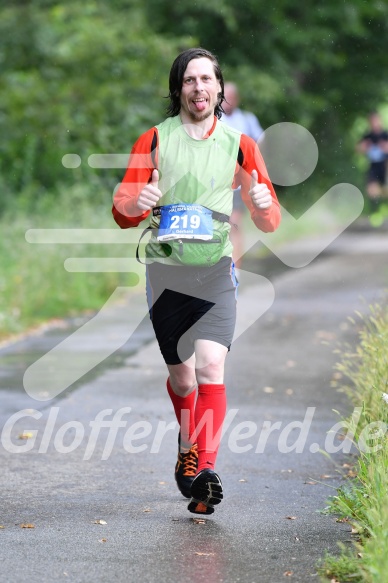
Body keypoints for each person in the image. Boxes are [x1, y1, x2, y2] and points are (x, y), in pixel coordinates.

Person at [112, 48, 281, 515]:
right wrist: (137, 199)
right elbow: (122, 210)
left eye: (207, 79)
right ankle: (189, 444)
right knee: (183, 380)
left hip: (216, 271)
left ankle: (204, 470)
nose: (199, 88)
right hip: (166, 275)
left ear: (220, 88)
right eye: (190, 80)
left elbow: (270, 223)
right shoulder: (153, 140)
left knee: (210, 368)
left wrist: (265, 204)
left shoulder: (241, 145)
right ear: (178, 89)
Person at [221, 82, 264, 268]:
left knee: (234, 222)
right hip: (213, 181)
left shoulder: (247, 120)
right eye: (224, 98)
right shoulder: (211, 119)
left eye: (230, 98)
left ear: (236, 100)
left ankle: (235, 268)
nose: (226, 102)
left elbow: (261, 142)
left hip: (238, 181)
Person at [356, 111, 388, 212]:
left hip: (385, 165)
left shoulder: (385, 135)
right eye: (372, 121)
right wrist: (364, 146)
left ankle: (383, 195)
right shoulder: (368, 136)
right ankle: (378, 206)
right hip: (373, 166)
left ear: (380, 121)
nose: (374, 123)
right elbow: (358, 148)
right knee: (371, 191)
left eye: (375, 120)